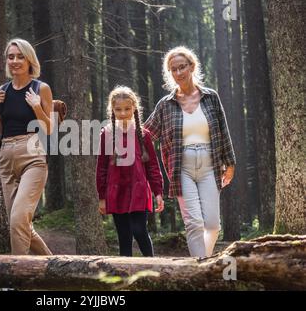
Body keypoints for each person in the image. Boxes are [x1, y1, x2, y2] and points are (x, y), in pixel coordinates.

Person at [144, 46, 236, 258]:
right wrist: (119, 129)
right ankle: (201, 269)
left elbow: (223, 131)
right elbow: (145, 134)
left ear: (192, 66)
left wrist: (230, 163)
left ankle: (201, 263)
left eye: (182, 67)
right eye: (173, 69)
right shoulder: (165, 105)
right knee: (193, 223)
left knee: (212, 225)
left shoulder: (211, 97)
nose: (178, 73)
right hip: (181, 167)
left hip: (210, 165)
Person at [0, 38, 53, 255]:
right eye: (11, 56)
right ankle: (54, 267)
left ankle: (17, 279)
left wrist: (37, 107)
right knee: (20, 224)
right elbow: (2, 128)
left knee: (17, 220)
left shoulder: (40, 88)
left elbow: (50, 128)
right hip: (6, 155)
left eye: (20, 56)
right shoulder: (3, 90)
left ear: (29, 60)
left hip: (33, 154)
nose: (15, 61)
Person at [96, 86, 164, 257]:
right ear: (112, 110)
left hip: (139, 190)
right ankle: (125, 278)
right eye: (118, 109)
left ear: (134, 108)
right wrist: (102, 196)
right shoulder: (107, 134)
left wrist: (158, 192)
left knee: (139, 230)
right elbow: (102, 167)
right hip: (116, 191)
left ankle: (152, 267)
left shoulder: (144, 135)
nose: (123, 113)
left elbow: (153, 166)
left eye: (127, 109)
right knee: (124, 236)